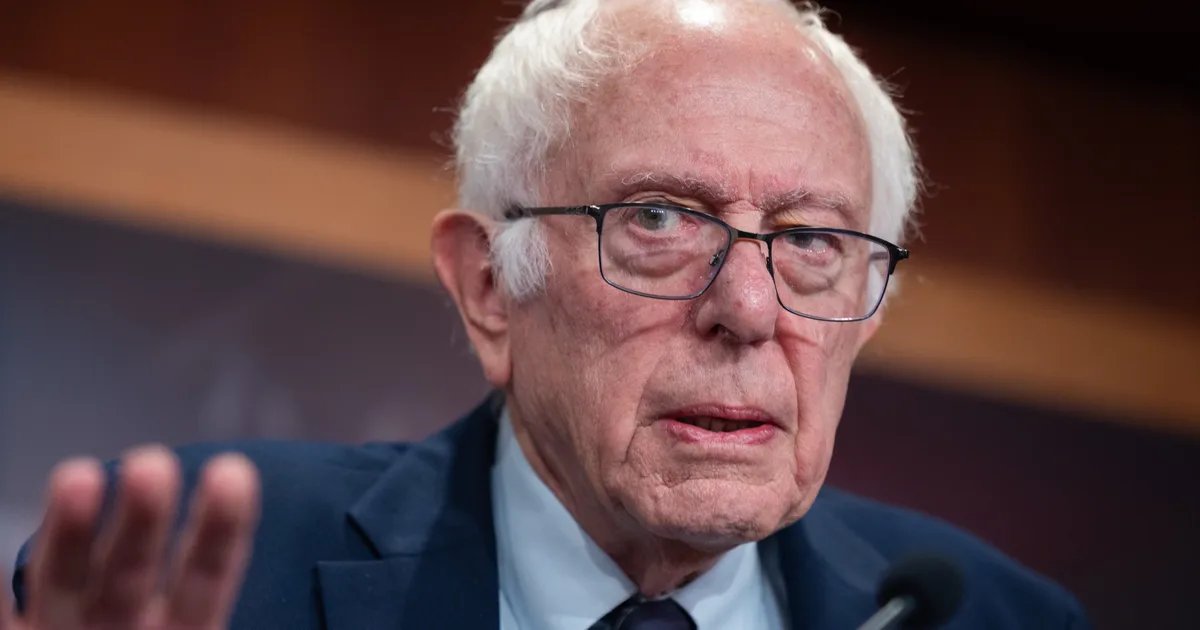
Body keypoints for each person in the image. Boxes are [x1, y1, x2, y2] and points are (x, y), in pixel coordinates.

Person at [6, 0, 1091, 628]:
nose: (750, 310)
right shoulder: (197, 578)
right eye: (661, 217)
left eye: (812, 241)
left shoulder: (996, 620)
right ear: (488, 286)